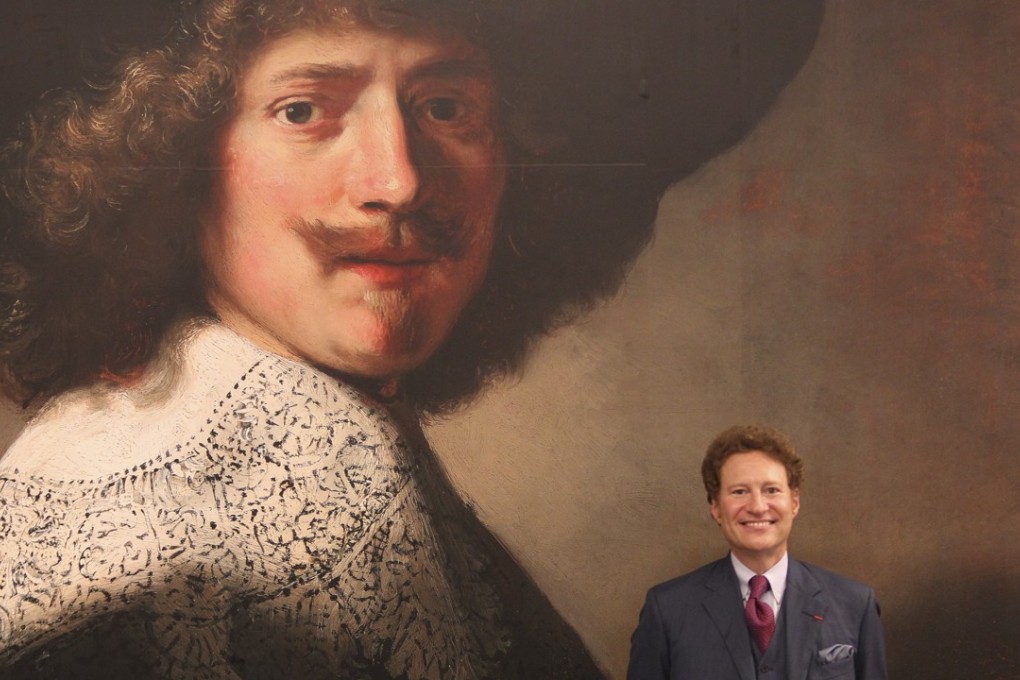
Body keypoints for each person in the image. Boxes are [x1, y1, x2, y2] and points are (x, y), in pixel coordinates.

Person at [0, 1, 823, 678]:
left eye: (445, 107)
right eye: (304, 110)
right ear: (177, 157)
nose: (396, 180)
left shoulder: (309, 424)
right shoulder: (307, 459)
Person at [627, 425, 888, 680]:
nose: (758, 506)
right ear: (716, 507)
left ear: (794, 502)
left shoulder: (855, 604)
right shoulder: (667, 610)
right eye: (740, 492)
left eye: (771, 490)